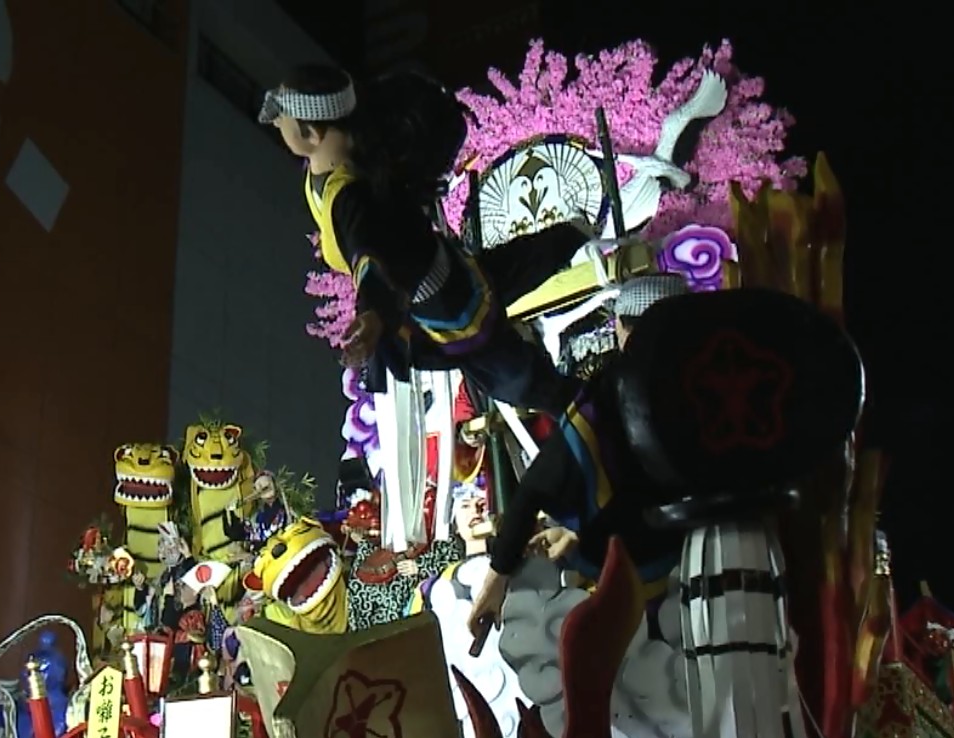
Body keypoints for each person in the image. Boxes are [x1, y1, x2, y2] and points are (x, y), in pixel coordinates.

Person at [262, 65, 588, 415]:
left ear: (310, 132)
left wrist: (372, 313)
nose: (276, 122)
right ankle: (573, 236)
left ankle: (585, 407)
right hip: (430, 275)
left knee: (512, 377)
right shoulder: (341, 168)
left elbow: (370, 254)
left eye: (282, 118)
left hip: (440, 300)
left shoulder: (349, 195)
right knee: (504, 274)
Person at [464, 274, 693, 644]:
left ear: (623, 329)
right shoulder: (714, 375)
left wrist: (496, 579)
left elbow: (536, 488)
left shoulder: (608, 395)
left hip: (650, 582)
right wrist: (576, 534)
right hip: (724, 551)